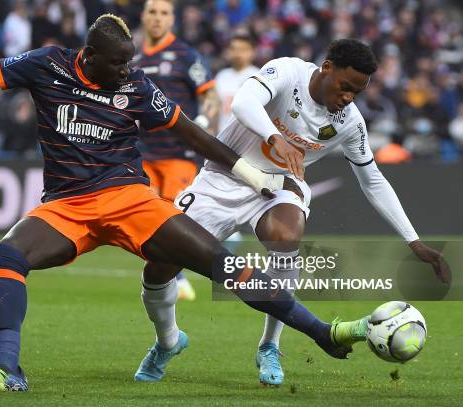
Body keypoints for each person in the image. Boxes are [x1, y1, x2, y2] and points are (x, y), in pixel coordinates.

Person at [0, 15, 369, 394]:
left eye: (132, 61)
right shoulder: (46, 65)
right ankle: (7, 370)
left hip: (131, 199)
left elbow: (196, 137)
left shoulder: (136, 87)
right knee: (9, 255)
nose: (130, 69)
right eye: (120, 62)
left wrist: (256, 177)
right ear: (89, 56)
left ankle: (321, 332)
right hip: (66, 205)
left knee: (222, 264)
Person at [135, 39, 450, 385]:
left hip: (279, 186)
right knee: (158, 267)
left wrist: (413, 241)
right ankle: (168, 341)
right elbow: (243, 102)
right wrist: (273, 136)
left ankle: (270, 345)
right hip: (223, 176)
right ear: (326, 67)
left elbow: (372, 181)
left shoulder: (349, 123)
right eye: (345, 87)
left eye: (356, 93)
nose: (347, 98)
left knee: (285, 237)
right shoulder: (287, 71)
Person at [137, 0, 221, 300]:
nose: (158, 19)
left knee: (173, 215)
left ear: (172, 19)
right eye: (152, 12)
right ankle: (167, 277)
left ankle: (176, 275)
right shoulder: (131, 57)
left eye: (163, 13)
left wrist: (201, 120)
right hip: (142, 152)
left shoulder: (187, 55)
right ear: (143, 17)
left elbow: (211, 96)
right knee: (146, 218)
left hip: (179, 153)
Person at [214, 32, 261, 133]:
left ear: (253, 52)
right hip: (223, 135)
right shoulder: (221, 76)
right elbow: (215, 108)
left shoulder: (258, 77)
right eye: (233, 49)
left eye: (243, 49)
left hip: (247, 137)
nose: (237, 53)